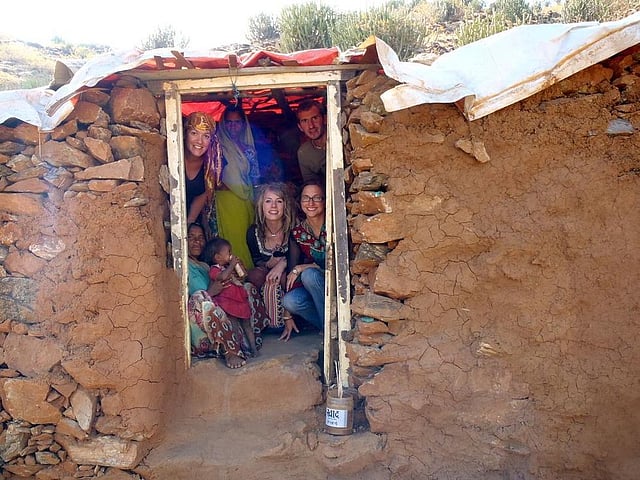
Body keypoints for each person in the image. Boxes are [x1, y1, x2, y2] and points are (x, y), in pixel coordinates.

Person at [186, 222, 247, 369]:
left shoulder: (206, 266)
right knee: (200, 296)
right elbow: (198, 299)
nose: (197, 241)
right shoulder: (183, 265)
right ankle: (230, 351)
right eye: (191, 237)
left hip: (221, 316)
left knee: (246, 289)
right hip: (203, 327)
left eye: (201, 237)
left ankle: (248, 341)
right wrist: (210, 292)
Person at [246, 183, 300, 341]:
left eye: (279, 201)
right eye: (268, 201)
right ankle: (261, 321)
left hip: (292, 272)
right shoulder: (254, 232)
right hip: (267, 272)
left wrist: (282, 264)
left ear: (285, 205)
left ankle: (291, 318)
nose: (273, 206)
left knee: (285, 279)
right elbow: (257, 260)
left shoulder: (294, 228)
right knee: (254, 276)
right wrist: (269, 264)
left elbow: (298, 261)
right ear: (261, 205)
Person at [216, 105, 258, 269]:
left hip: (246, 200)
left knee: (245, 238)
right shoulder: (216, 147)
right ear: (223, 124)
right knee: (229, 240)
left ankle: (247, 273)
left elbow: (254, 176)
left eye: (237, 122)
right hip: (225, 201)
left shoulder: (249, 150)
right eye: (229, 122)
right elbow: (211, 176)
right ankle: (230, 274)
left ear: (243, 124)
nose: (233, 126)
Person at [283, 180, 327, 331]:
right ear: (300, 201)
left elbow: (335, 263)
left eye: (317, 198)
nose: (311, 203)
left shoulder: (334, 224)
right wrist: (287, 314)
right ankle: (328, 327)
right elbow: (292, 272)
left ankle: (328, 331)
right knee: (290, 301)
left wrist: (305, 267)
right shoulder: (298, 233)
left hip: (336, 284)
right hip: (316, 289)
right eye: (306, 198)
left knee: (309, 275)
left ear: (324, 201)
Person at [206, 238, 258, 357]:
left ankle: (254, 349)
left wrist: (238, 267)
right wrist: (232, 265)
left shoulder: (228, 267)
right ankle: (238, 350)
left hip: (240, 299)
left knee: (247, 325)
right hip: (228, 302)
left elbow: (243, 276)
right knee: (233, 326)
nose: (231, 254)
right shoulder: (214, 269)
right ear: (218, 257)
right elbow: (222, 277)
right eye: (228, 252)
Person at [183, 112, 222, 234]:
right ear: (185, 134)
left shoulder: (211, 164)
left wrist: (187, 226)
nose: (199, 141)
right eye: (194, 133)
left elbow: (202, 195)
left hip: (194, 220)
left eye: (206, 136)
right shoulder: (173, 155)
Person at [296, 99, 326, 183]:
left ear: (325, 119)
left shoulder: (338, 140)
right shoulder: (304, 152)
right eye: (305, 121)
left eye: (315, 118)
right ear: (300, 127)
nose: (311, 126)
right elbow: (311, 183)